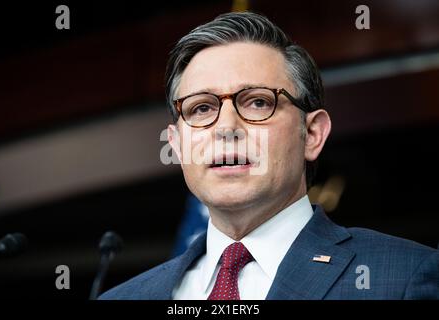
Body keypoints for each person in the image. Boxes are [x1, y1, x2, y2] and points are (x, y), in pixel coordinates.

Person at [99, 11, 439, 300]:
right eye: (202, 108)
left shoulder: (403, 278)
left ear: (313, 134)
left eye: (259, 102)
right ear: (175, 144)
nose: (226, 127)